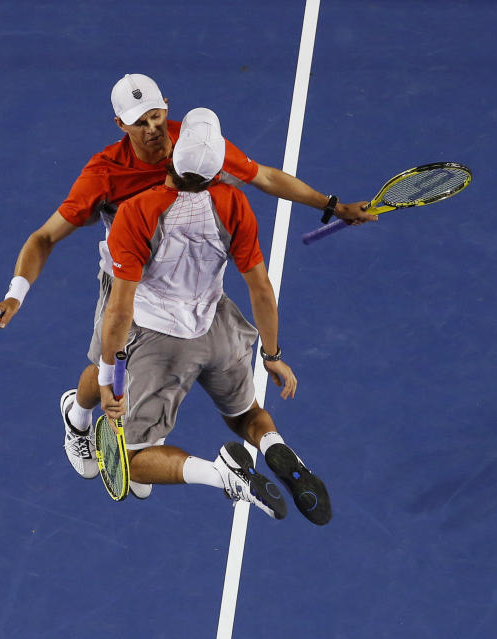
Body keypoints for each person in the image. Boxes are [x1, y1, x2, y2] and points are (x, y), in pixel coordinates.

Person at [0, 74, 373, 495]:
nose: (152, 129)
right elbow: (44, 236)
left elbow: (263, 176)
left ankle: (139, 441)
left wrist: (332, 205)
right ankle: (76, 416)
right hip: (127, 281)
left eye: (156, 116)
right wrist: (15, 293)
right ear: (120, 124)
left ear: (167, 107)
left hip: (188, 282)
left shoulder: (195, 145)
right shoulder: (105, 174)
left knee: (123, 370)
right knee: (103, 367)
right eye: (140, 122)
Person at [97, 107, 331, 524]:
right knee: (246, 415)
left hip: (160, 341)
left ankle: (221, 474)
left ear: (174, 156)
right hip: (218, 329)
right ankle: (277, 447)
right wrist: (272, 355)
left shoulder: (136, 212)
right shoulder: (233, 203)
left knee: (129, 459)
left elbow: (118, 310)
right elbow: (261, 290)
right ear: (217, 167)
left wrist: (109, 378)